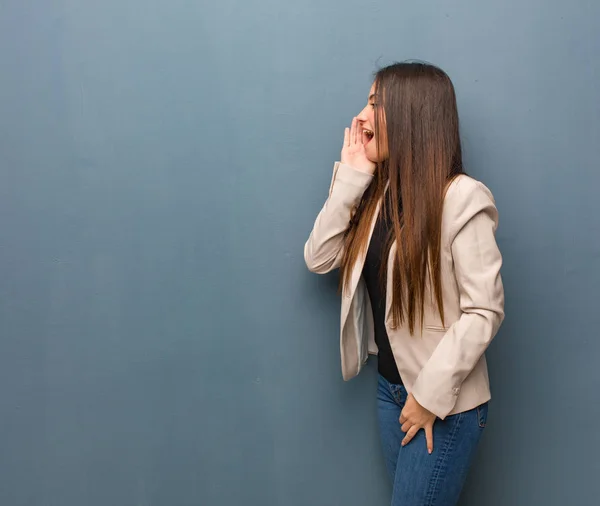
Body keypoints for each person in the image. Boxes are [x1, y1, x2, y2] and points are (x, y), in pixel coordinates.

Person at [303, 62, 504, 506]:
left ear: (412, 114)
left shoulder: (463, 198)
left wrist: (428, 397)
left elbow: (484, 311)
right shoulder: (377, 195)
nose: (360, 116)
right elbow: (319, 258)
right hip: (389, 393)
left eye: (375, 104)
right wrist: (352, 177)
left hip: (443, 402)